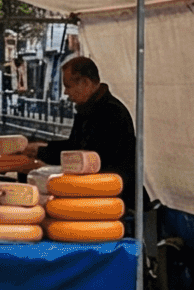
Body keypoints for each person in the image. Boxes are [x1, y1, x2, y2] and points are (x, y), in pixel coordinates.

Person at [36, 56, 138, 192]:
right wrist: (42, 147)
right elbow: (73, 146)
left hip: (113, 191)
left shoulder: (111, 113)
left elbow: (88, 156)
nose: (66, 92)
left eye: (68, 86)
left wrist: (42, 153)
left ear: (85, 83)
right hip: (95, 186)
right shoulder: (87, 109)